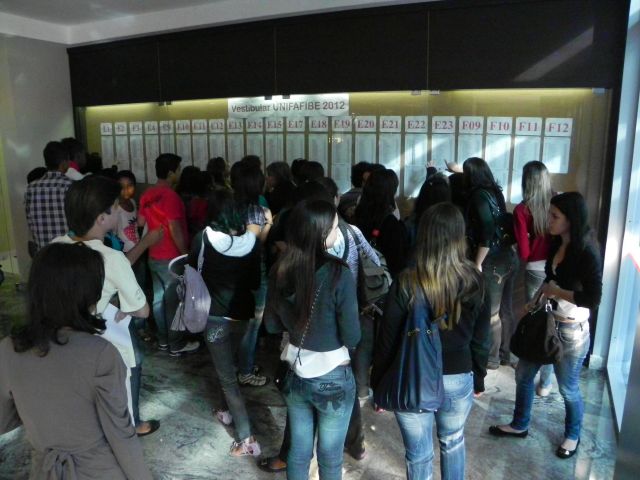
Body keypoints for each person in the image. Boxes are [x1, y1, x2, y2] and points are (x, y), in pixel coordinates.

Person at [0, 242, 153, 479]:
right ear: (86, 295)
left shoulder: (9, 348)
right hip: (99, 471)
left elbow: (4, 420)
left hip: (45, 471)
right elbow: (120, 434)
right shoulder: (101, 353)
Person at [371, 202, 490, 480]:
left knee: (418, 455)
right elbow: (481, 338)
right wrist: (479, 377)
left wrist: (379, 383)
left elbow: (387, 340)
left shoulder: (405, 281)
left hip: (412, 376)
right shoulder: (474, 280)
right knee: (453, 441)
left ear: (423, 235)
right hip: (458, 375)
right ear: (460, 236)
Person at [489, 192, 603, 459]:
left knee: (568, 389)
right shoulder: (555, 243)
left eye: (554, 216)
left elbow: (593, 299)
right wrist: (535, 300)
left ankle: (572, 435)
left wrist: (556, 291)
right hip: (548, 322)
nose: (548, 220)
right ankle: (520, 424)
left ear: (571, 219)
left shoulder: (586, 252)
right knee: (523, 374)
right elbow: (550, 279)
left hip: (572, 331)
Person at [54, 175, 161, 437]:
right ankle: (132, 422)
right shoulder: (111, 258)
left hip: (62, 336)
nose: (118, 211)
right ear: (102, 218)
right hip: (95, 335)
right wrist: (125, 305)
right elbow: (142, 310)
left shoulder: (56, 245)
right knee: (133, 360)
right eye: (114, 207)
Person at [264, 199, 360, 480]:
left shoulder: (279, 269)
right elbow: (352, 335)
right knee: (330, 457)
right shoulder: (338, 273)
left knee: (298, 451)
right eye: (334, 228)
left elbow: (271, 325)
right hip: (333, 377)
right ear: (320, 234)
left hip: (295, 372)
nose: (337, 233)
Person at [188, 189, 263, 456]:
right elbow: (255, 282)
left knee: (228, 377)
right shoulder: (252, 242)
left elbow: (192, 272)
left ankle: (247, 439)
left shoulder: (203, 238)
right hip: (242, 316)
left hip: (214, 317)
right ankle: (224, 411)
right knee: (228, 366)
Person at [139, 153, 199, 356]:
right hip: (171, 257)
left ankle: (163, 341)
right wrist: (185, 255)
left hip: (153, 255)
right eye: (179, 169)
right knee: (174, 302)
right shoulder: (171, 196)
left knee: (158, 301)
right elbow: (175, 229)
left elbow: (141, 222)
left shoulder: (147, 194)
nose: (180, 173)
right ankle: (176, 344)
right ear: (172, 172)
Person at [463, 157, 519, 369]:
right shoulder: (495, 191)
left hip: (492, 260)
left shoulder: (478, 196)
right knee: (506, 309)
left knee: (491, 313)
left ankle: (492, 359)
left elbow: (486, 231)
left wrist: (478, 262)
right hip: (508, 256)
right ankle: (506, 353)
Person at [513, 161, 554, 396]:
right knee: (552, 322)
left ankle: (529, 369)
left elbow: (525, 252)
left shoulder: (522, 210)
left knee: (535, 320)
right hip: (557, 270)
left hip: (535, 269)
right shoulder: (557, 203)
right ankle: (546, 382)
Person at [230, 159, 273, 386]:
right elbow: (255, 243)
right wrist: (269, 223)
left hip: (230, 270)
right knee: (252, 324)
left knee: (236, 321)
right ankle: (245, 371)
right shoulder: (257, 210)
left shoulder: (228, 206)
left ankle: (238, 364)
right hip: (253, 271)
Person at [354, 168, 408, 277]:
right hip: (382, 280)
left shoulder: (358, 214)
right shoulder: (391, 223)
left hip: (361, 277)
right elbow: (397, 264)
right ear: (391, 192)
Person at [24, 141, 73, 250]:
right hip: (69, 253)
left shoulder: (30, 188)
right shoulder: (71, 186)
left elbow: (30, 223)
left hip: (43, 253)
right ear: (63, 162)